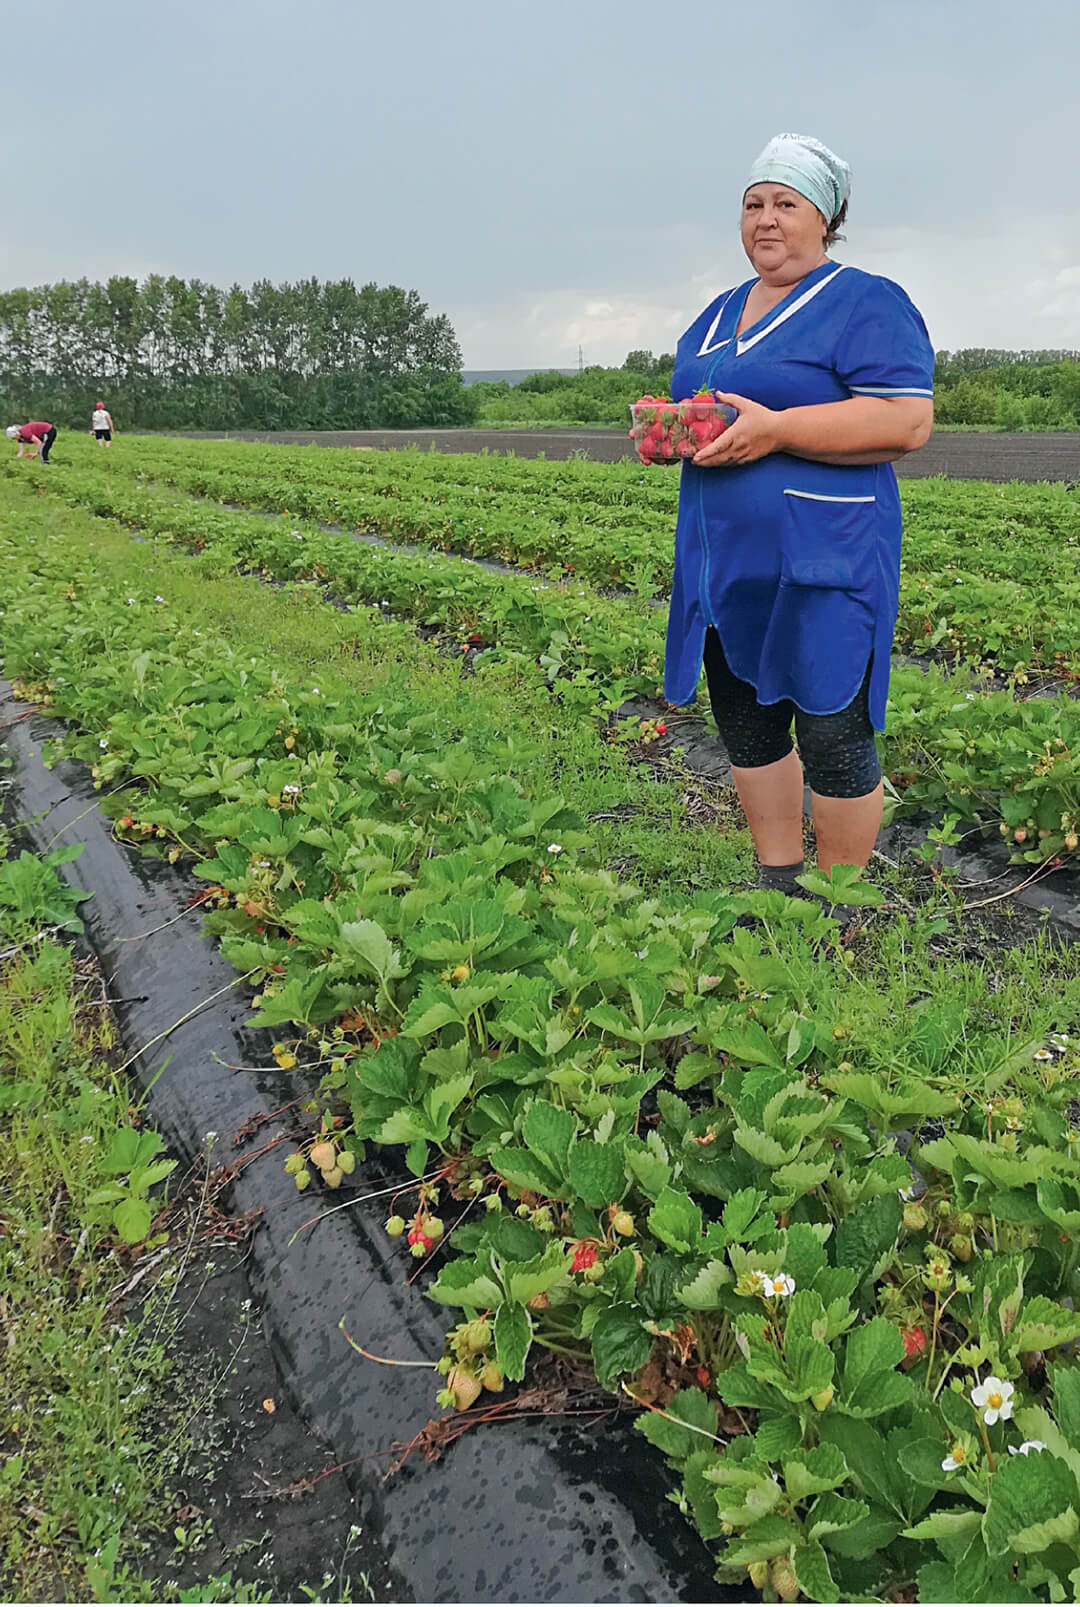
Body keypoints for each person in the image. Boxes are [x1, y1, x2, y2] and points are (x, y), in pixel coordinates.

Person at [664, 132, 934, 897]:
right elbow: (710, 410)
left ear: (827, 219)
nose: (767, 220)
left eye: (788, 203)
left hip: (826, 556)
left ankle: (837, 901)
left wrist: (778, 429)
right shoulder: (718, 313)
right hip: (725, 555)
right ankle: (777, 882)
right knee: (746, 722)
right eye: (754, 204)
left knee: (830, 726)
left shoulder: (863, 302)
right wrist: (673, 431)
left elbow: (906, 422)